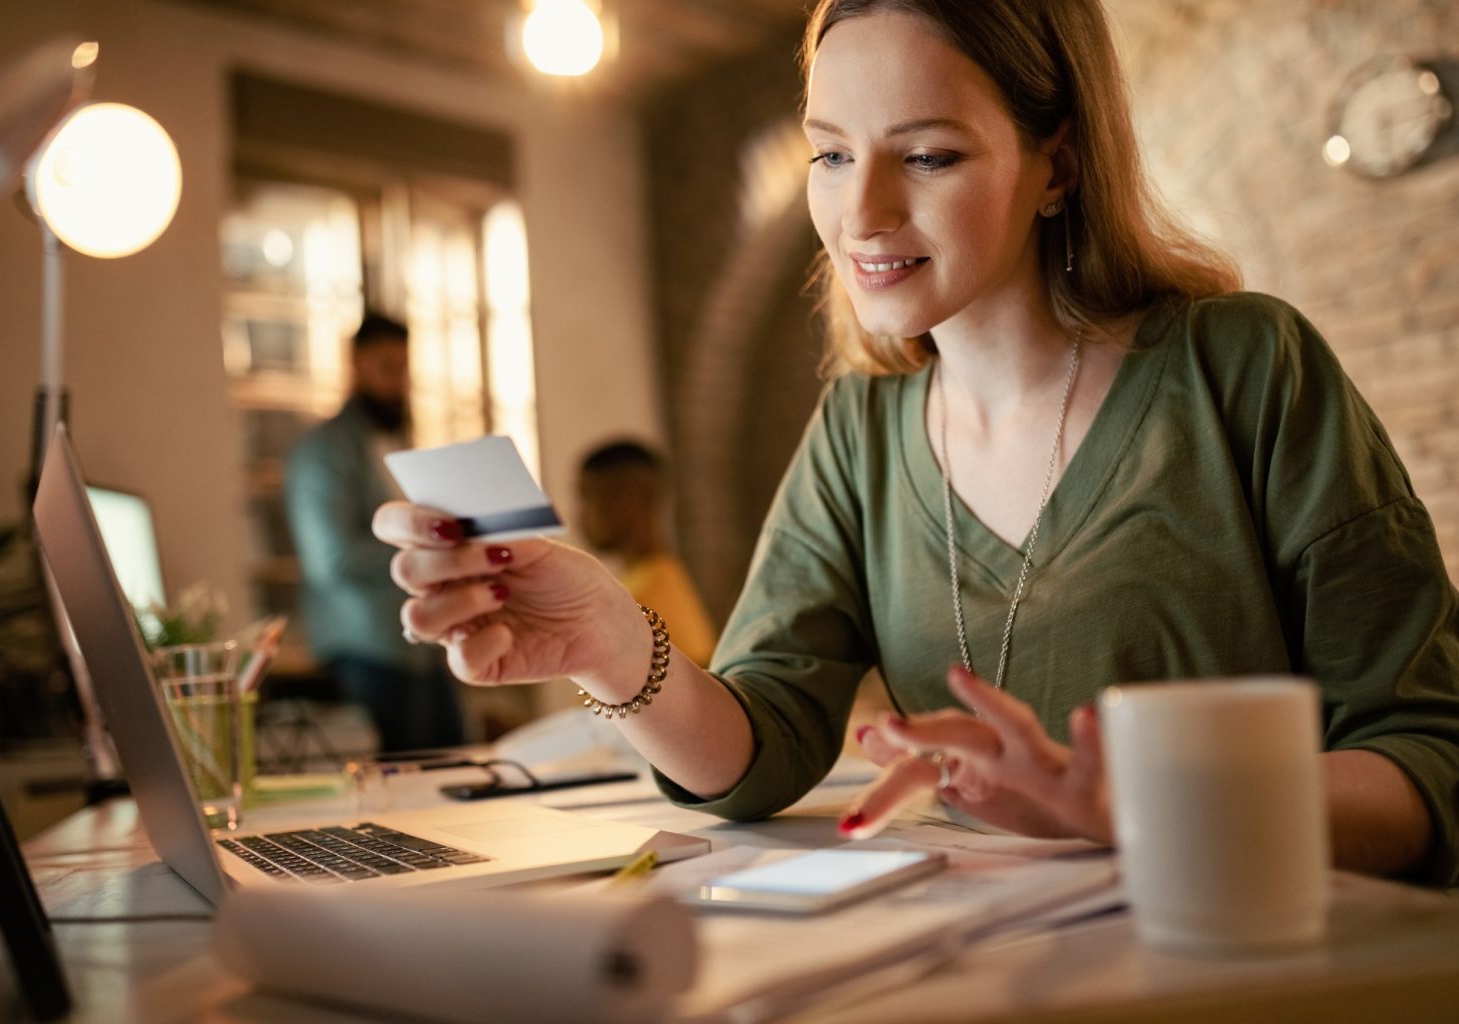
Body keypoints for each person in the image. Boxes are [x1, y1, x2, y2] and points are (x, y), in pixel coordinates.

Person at [373, 0, 1459, 885]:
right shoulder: (860, 429)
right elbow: (762, 750)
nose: (861, 213)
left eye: (928, 156)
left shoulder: (1245, 368)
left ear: (1059, 168)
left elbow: (1429, 763)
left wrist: (1142, 805)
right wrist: (612, 640)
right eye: (831, 155)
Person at [285, 312, 464, 753]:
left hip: (423, 647)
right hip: (366, 651)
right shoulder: (322, 450)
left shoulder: (405, 440)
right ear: (356, 365)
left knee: (456, 769)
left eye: (404, 367)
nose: (398, 380)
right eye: (387, 367)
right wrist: (433, 552)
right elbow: (331, 561)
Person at [576, 440, 718, 667]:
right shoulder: (633, 583)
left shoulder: (655, 592)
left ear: (626, 499)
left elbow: (695, 686)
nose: (580, 515)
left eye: (586, 497)